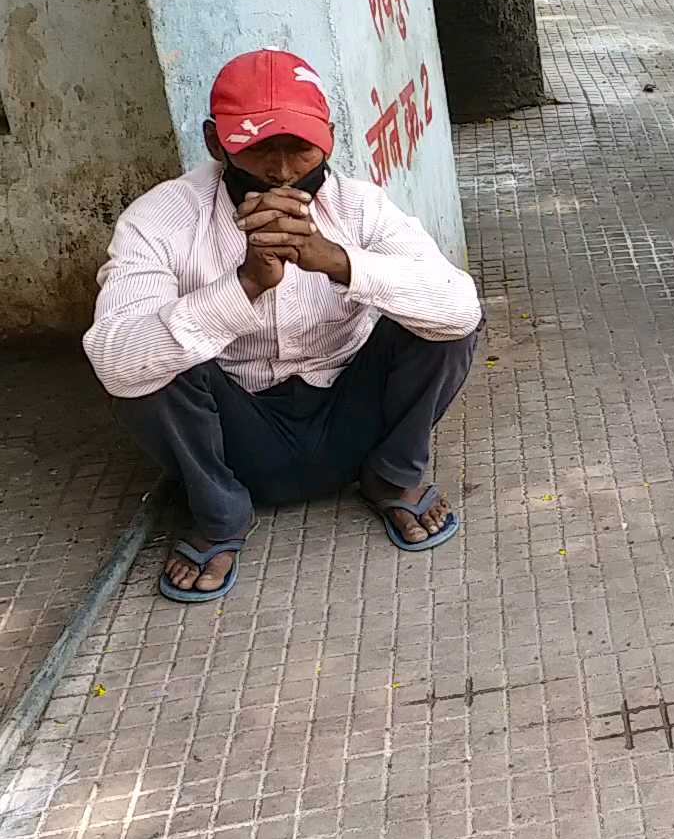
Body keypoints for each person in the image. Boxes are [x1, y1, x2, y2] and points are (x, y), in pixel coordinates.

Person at [83, 49, 482, 604]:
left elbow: (460, 306)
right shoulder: (159, 219)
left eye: (299, 146)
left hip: (352, 415)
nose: (281, 169)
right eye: (258, 146)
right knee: (146, 357)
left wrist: (339, 262)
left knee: (443, 321)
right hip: (237, 434)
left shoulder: (360, 207)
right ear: (215, 142)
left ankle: (392, 475)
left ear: (331, 139)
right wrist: (242, 286)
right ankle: (220, 511)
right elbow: (115, 359)